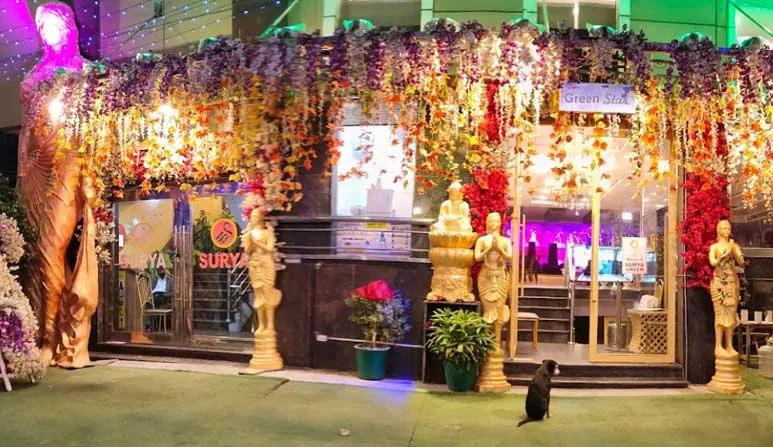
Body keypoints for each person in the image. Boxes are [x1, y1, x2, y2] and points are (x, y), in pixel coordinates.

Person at [708, 220, 745, 358]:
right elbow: (713, 262)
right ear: (718, 230)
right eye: (724, 228)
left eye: (728, 228)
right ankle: (718, 345)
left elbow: (741, 262)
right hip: (719, 283)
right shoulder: (714, 247)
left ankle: (729, 344)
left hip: (732, 282)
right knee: (719, 314)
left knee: (731, 314)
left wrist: (736, 252)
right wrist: (723, 255)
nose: (727, 231)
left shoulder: (733, 245)